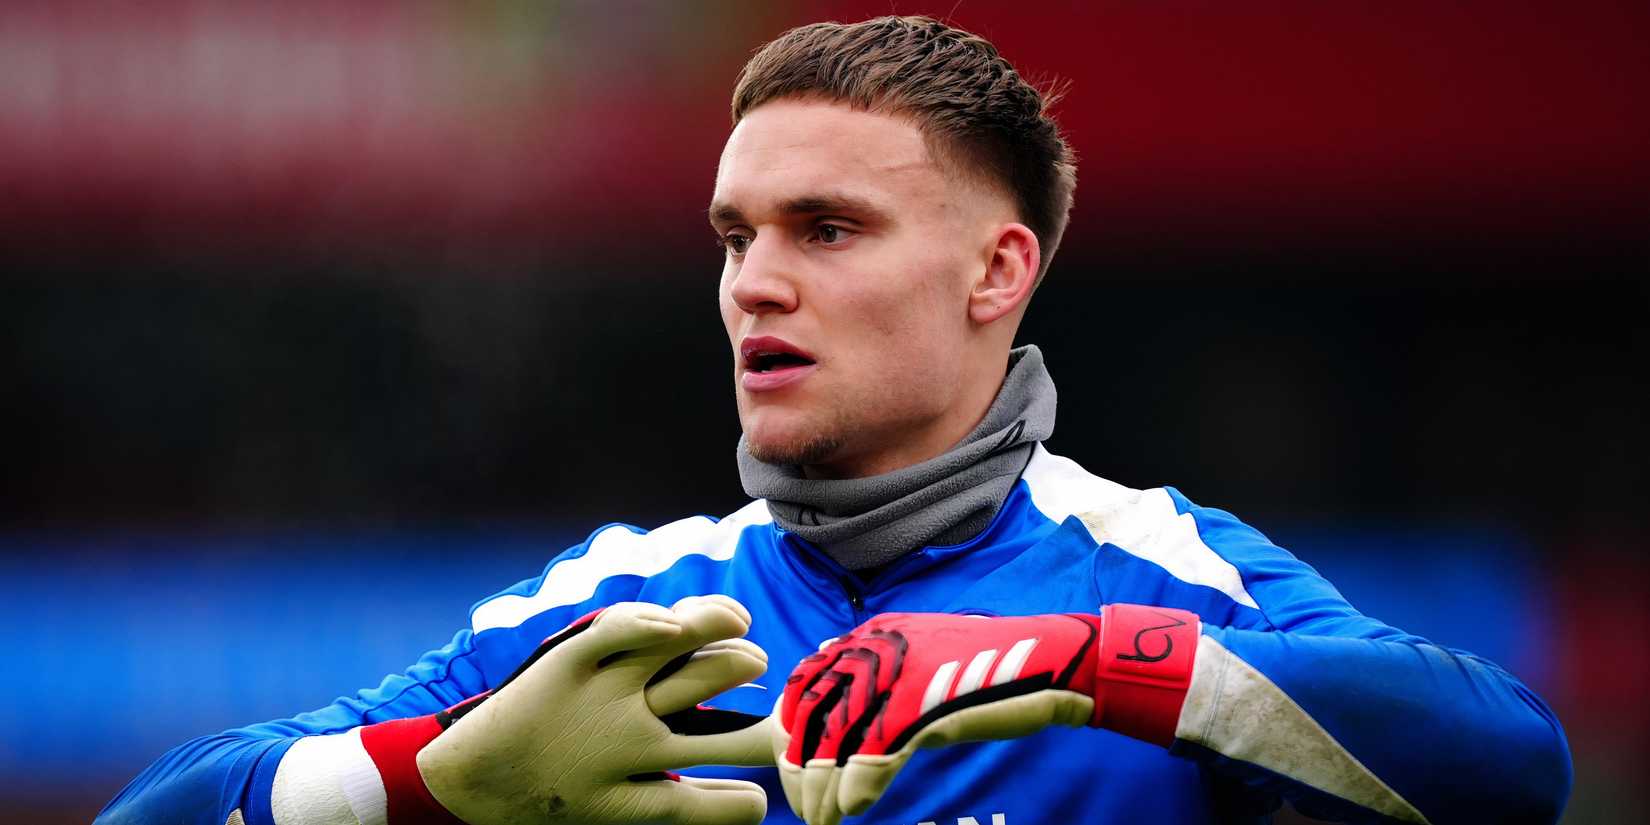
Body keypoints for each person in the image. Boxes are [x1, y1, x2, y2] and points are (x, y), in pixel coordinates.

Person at [97, 15, 1572, 825]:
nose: (755, 281)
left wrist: (1078, 664)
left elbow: (1509, 768)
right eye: (735, 236)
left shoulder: (1157, 567)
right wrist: (426, 781)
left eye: (826, 228)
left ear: (998, 272)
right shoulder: (617, 603)